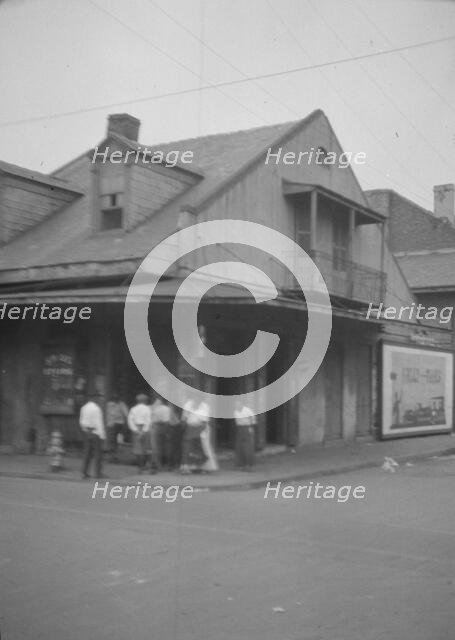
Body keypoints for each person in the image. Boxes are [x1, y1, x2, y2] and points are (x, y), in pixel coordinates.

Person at [180, 396, 218, 474]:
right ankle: (188, 467)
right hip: (190, 428)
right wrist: (183, 428)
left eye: (198, 399)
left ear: (201, 400)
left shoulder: (205, 406)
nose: (196, 401)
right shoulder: (188, 404)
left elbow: (205, 421)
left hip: (202, 427)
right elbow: (184, 418)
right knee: (189, 448)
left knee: (203, 447)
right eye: (195, 399)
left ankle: (204, 467)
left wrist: (200, 431)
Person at [80, 393, 106, 479]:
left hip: (87, 432)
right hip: (95, 432)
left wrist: (85, 430)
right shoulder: (96, 409)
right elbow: (99, 423)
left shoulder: (84, 408)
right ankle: (97, 473)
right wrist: (102, 435)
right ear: (95, 398)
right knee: (98, 454)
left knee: (87, 453)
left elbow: (81, 421)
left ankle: (84, 472)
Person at [150, 396, 180, 470]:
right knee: (167, 446)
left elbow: (151, 418)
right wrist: (167, 432)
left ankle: (158, 464)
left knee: (157, 446)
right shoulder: (168, 409)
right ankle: (168, 464)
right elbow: (168, 421)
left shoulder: (155, 408)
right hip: (165, 427)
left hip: (156, 427)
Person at [128, 393, 154, 473]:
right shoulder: (148, 409)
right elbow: (148, 420)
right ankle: (149, 466)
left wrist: (135, 430)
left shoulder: (133, 409)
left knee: (138, 450)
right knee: (147, 449)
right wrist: (144, 431)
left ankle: (140, 467)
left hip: (136, 428)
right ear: (145, 401)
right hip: (145, 429)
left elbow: (130, 420)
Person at [105, 393, 128, 462]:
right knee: (113, 440)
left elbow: (107, 414)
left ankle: (113, 456)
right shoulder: (121, 404)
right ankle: (113, 456)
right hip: (116, 424)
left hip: (114, 424)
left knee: (113, 440)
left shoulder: (109, 404)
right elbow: (126, 414)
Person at [234, 400, 256, 470]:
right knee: (240, 447)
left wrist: (251, 428)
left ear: (242, 404)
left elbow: (253, 419)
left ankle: (248, 464)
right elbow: (237, 422)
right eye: (236, 404)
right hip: (240, 429)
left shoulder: (248, 410)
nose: (237, 405)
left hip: (247, 428)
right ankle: (241, 464)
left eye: (238, 404)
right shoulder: (235, 412)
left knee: (247, 447)